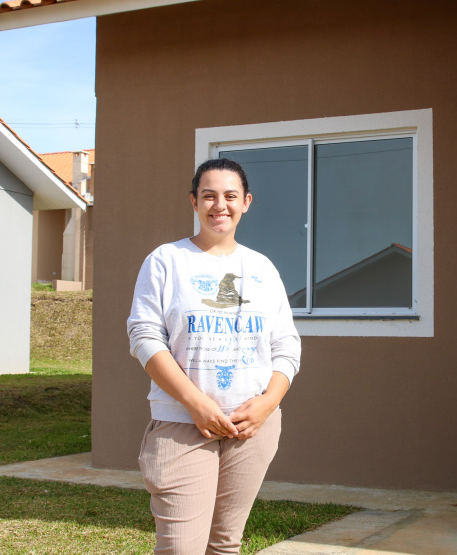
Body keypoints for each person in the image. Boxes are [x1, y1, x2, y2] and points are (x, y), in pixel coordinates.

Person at [127, 158, 301, 555]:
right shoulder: (166, 261)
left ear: (246, 202)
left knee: (225, 545)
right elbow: (144, 335)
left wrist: (267, 404)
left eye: (229, 196)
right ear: (193, 202)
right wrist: (196, 403)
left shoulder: (262, 268)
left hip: (251, 428)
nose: (219, 205)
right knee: (181, 548)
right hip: (182, 425)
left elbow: (286, 345)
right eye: (208, 195)